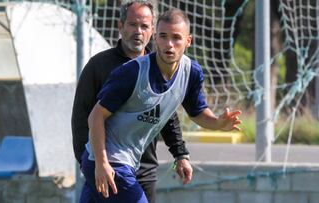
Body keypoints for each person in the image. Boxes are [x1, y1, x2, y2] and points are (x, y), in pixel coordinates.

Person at [80, 8, 242, 203]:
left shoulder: (191, 73)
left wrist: (218, 124)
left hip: (123, 162)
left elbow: (197, 112)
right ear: (155, 38)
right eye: (163, 37)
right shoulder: (131, 73)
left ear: (188, 41)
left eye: (176, 38)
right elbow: (95, 116)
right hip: (109, 161)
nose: (169, 44)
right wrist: (101, 163)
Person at [71, 1, 192, 202]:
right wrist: (89, 162)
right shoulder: (99, 66)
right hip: (108, 166)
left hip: (145, 169)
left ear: (152, 31)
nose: (138, 31)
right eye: (132, 25)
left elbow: (167, 116)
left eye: (144, 26)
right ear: (120, 27)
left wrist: (181, 154)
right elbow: (82, 117)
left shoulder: (159, 67)